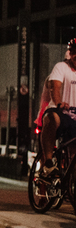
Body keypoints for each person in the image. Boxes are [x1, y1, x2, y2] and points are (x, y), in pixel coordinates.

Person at [38, 38, 76, 177]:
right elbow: (55, 87)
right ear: (70, 53)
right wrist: (59, 103)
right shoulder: (61, 67)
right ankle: (48, 162)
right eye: (73, 52)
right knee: (51, 118)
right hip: (61, 113)